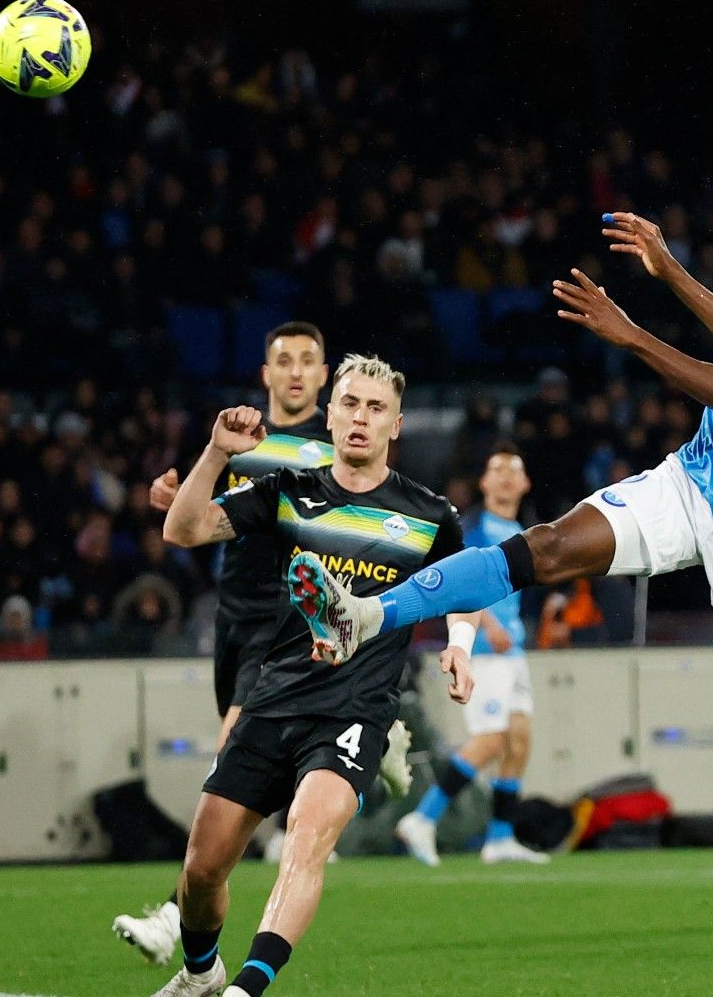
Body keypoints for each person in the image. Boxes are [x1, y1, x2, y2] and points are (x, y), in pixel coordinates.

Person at [288, 148, 713, 908]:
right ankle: (364, 615)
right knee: (545, 547)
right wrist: (668, 270)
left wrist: (632, 336)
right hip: (696, 478)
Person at [147, 355, 476, 997]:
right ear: (329, 415)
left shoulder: (430, 515)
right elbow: (181, 528)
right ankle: (200, 973)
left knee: (306, 836)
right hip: (274, 700)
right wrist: (215, 454)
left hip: (355, 709)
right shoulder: (288, 493)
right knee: (202, 869)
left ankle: (246, 988)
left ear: (397, 425)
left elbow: (463, 587)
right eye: (350, 404)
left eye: (376, 408)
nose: (361, 418)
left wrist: (459, 643)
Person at [115, 323, 412, 966]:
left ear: (326, 375)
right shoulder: (246, 440)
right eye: (286, 361)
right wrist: (186, 491)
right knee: (245, 766)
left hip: (290, 626)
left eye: (310, 362)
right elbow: (209, 518)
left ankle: (175, 917)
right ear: (267, 373)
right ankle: (369, 745)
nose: (299, 372)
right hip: (235, 619)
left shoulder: (333, 446)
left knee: (233, 752)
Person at [395, 447, 550, 866]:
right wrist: (492, 628)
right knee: (492, 739)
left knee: (519, 742)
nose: (503, 478)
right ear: (484, 483)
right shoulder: (476, 531)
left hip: (512, 654)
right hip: (484, 652)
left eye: (511, 471)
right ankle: (422, 819)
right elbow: (464, 584)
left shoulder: (519, 530)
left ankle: (499, 838)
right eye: (495, 470)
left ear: (524, 483)